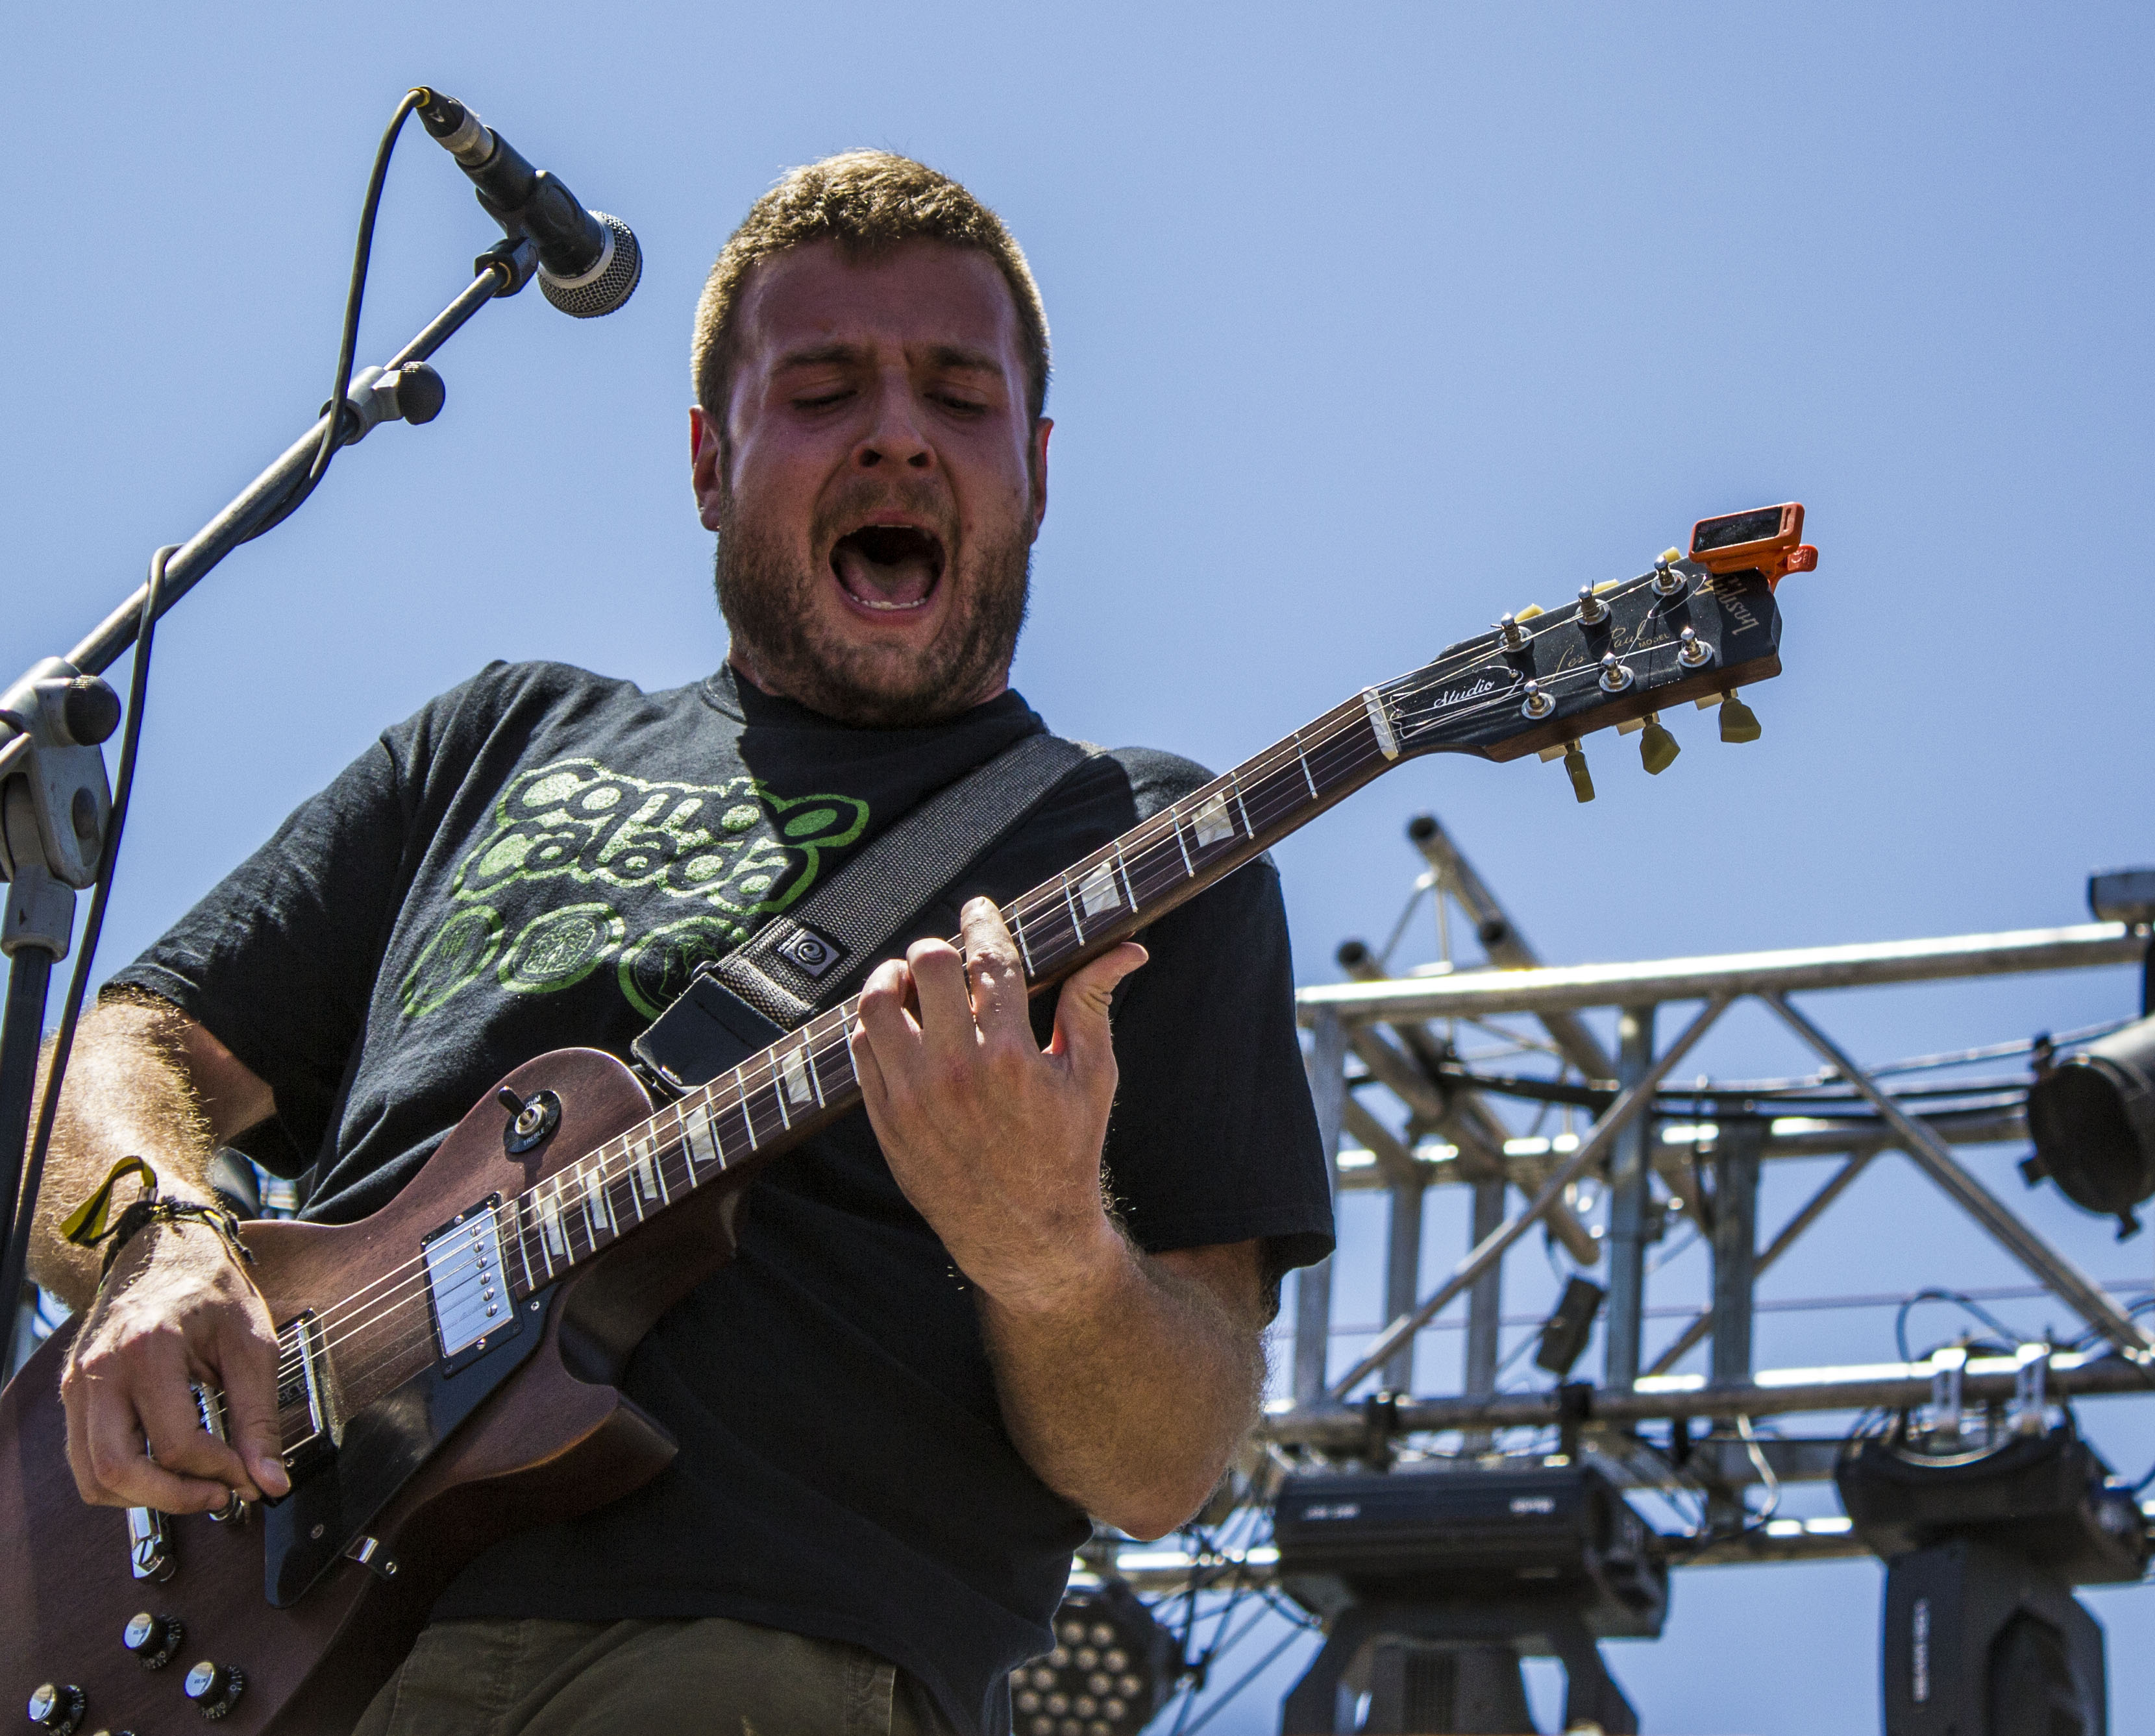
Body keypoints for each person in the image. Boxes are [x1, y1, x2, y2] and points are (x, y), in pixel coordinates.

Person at [27, 151, 1333, 1736]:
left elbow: (1165, 1461)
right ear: (710, 463)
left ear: (1036, 474)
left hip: (751, 1652)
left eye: (959, 396)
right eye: (824, 390)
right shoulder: (499, 738)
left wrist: (1050, 1255)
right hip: (263, 1643)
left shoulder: (1138, 847)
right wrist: (157, 1243)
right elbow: (116, 1053)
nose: (898, 434)